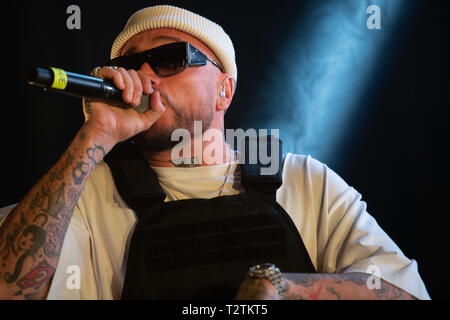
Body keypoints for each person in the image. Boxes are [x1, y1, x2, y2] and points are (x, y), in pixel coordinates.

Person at [0, 5, 430, 300]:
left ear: (224, 89)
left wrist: (285, 289)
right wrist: (94, 136)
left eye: (170, 57)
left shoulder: (304, 181)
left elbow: (403, 290)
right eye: (132, 66)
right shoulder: (86, 190)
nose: (146, 73)